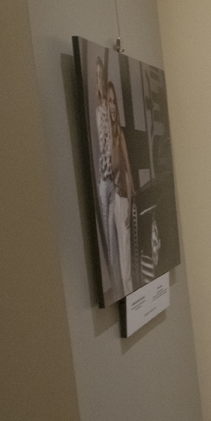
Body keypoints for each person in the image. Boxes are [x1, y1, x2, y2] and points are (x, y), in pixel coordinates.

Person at [92, 55, 121, 298]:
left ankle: (116, 281)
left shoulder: (109, 114)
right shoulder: (97, 111)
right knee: (106, 232)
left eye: (102, 76)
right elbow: (101, 146)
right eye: (98, 77)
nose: (100, 81)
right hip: (103, 181)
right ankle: (111, 283)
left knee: (112, 235)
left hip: (112, 180)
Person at [106, 81, 135, 295]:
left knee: (125, 264)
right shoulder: (106, 136)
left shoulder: (119, 135)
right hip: (112, 199)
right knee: (113, 258)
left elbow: (127, 169)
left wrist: (131, 207)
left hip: (123, 199)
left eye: (114, 101)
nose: (113, 105)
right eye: (109, 101)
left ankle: (131, 298)